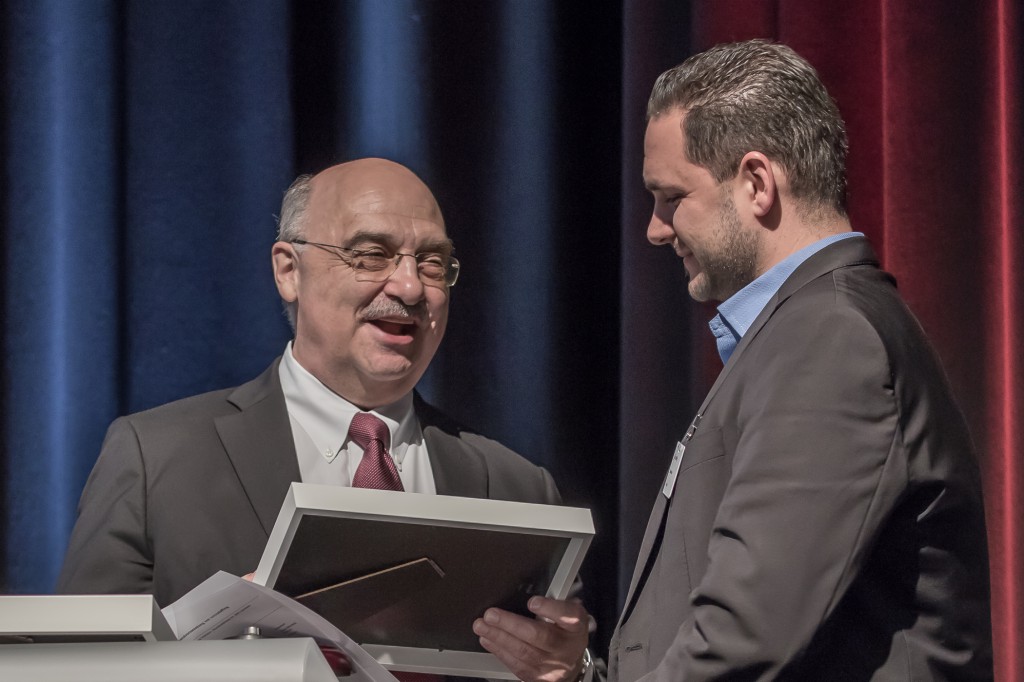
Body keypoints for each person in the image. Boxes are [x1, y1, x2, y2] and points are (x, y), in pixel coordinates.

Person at [57, 158, 590, 682]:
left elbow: (575, 664)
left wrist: (573, 670)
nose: (409, 287)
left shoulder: (518, 489)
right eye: (371, 255)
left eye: (431, 263)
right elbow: (73, 670)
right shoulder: (156, 460)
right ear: (289, 271)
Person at [608, 40, 993, 679]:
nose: (654, 227)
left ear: (757, 183)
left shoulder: (829, 337)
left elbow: (747, 632)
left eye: (671, 197)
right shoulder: (804, 329)